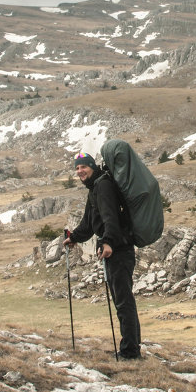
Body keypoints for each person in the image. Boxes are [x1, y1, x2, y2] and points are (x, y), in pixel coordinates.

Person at [64, 152, 142, 359]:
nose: (80, 171)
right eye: (77, 168)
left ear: (92, 166)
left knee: (123, 301)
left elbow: (110, 217)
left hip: (118, 249)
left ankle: (130, 351)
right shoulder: (95, 187)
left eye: (83, 167)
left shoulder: (103, 185)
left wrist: (107, 241)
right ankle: (131, 346)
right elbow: (89, 223)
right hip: (116, 247)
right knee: (123, 300)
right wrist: (74, 237)